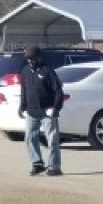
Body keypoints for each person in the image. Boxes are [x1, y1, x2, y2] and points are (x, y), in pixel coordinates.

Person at [18, 46, 65, 177]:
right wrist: (22, 106)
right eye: (28, 59)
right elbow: (24, 91)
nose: (30, 61)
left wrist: (56, 108)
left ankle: (54, 167)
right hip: (32, 111)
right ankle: (37, 164)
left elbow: (58, 91)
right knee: (29, 137)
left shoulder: (47, 71)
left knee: (52, 139)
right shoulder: (25, 71)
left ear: (38, 58)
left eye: (32, 59)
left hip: (47, 111)